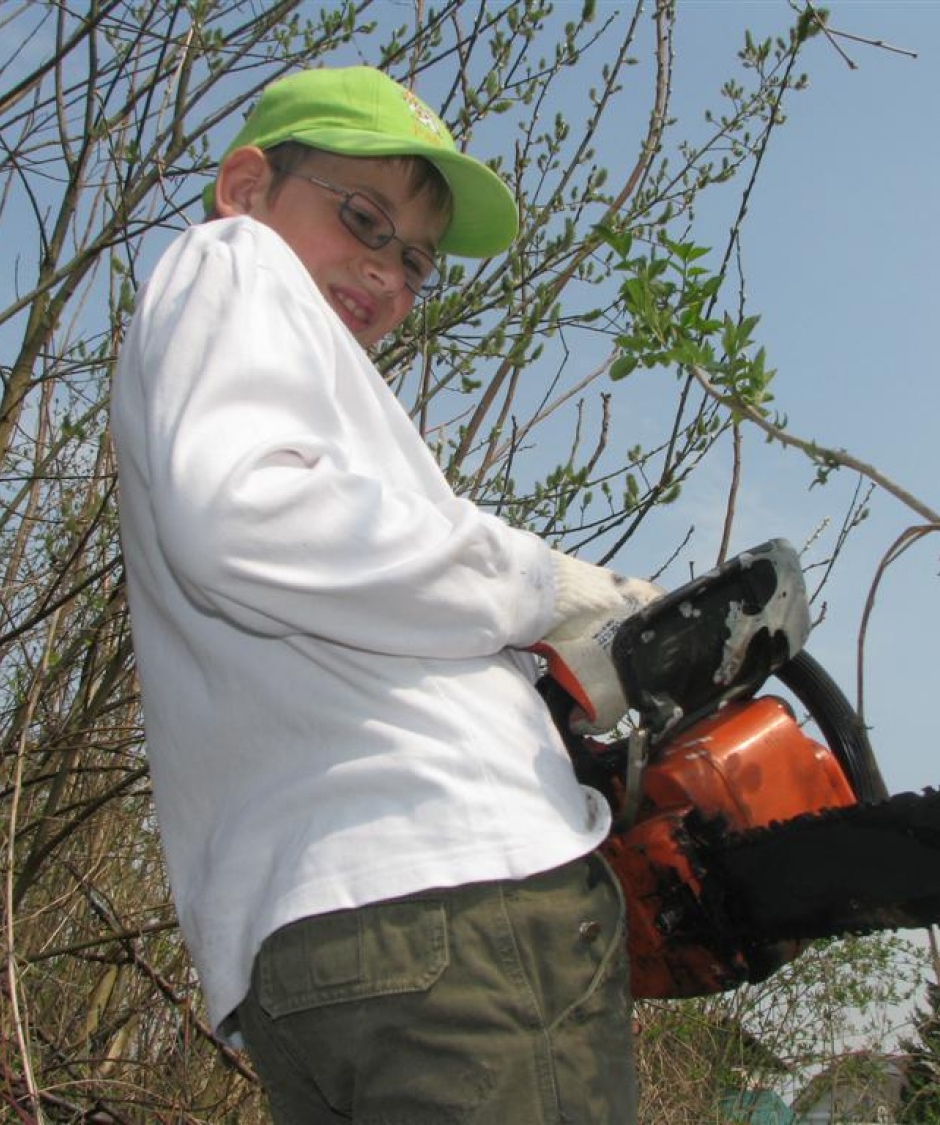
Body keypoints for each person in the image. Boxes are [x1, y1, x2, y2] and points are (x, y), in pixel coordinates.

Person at [110, 64, 658, 1123]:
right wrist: (540, 586)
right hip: (447, 900)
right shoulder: (234, 264)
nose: (386, 273)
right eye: (362, 218)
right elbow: (243, 516)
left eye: (414, 261)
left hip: (327, 934)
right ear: (245, 187)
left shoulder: (280, 378)